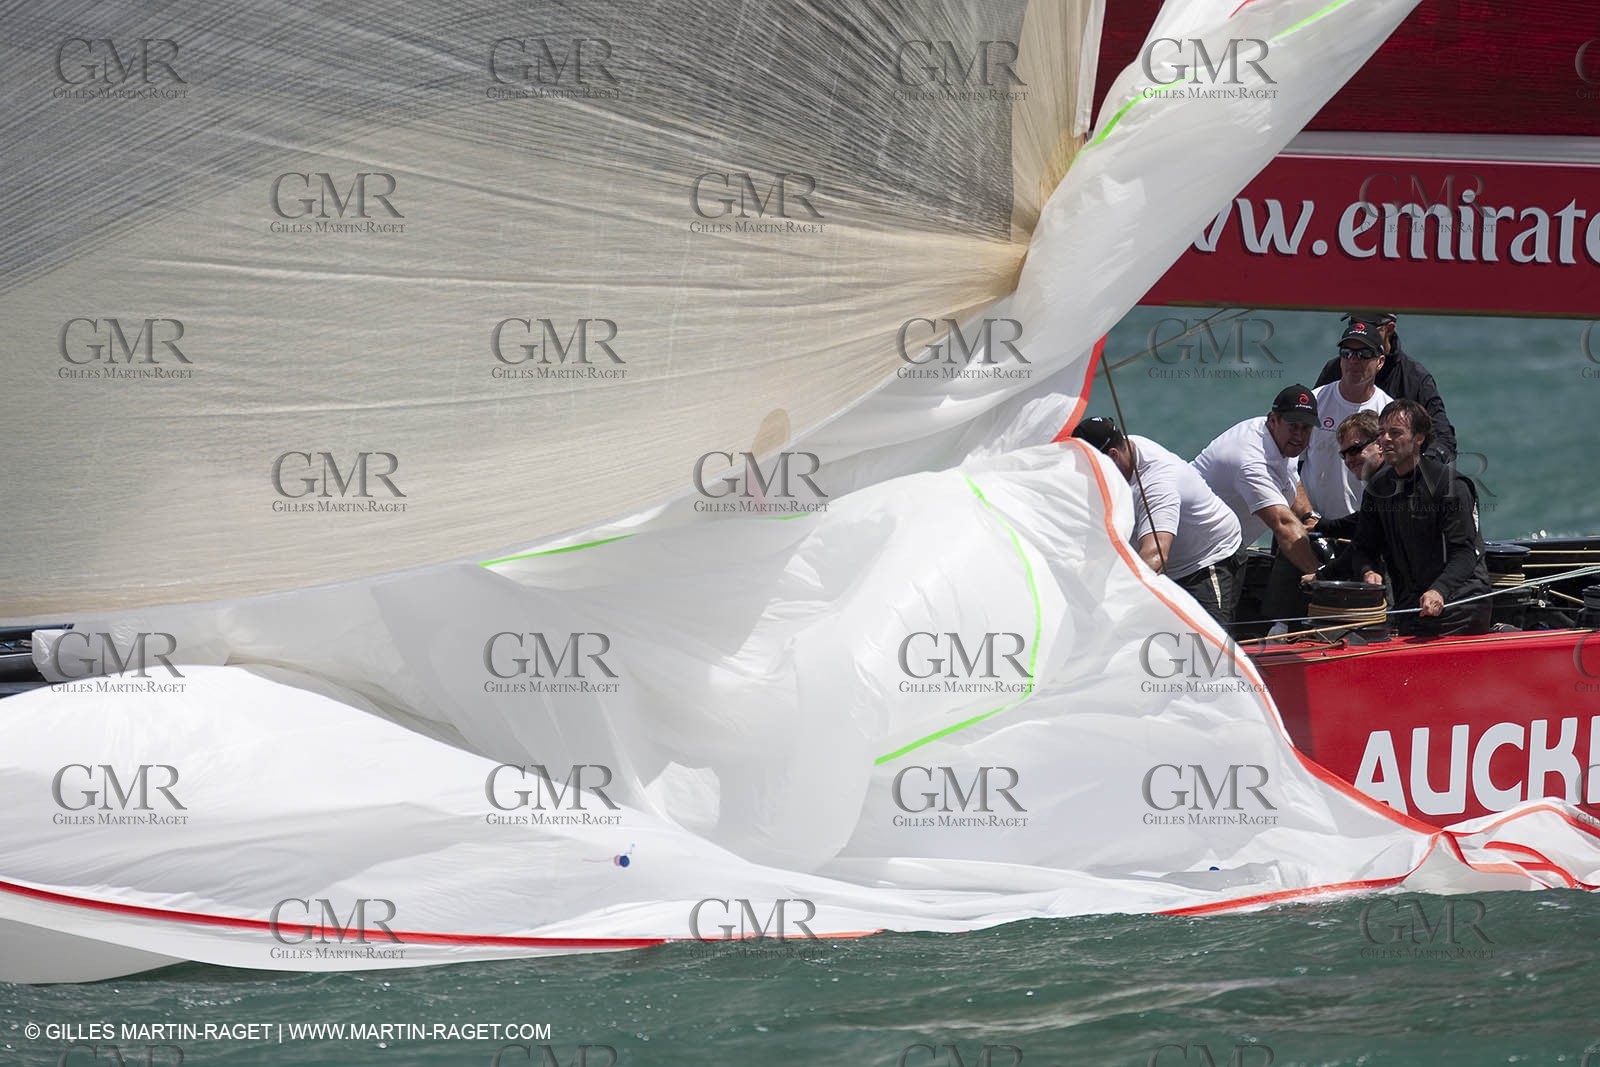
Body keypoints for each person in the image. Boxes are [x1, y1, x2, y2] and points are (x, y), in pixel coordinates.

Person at [1072, 417, 1244, 623]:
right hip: (1170, 563)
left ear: (1113, 455)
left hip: (1208, 561)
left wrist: (1113, 601)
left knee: (1205, 648)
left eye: (1090, 468)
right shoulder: (1125, 448)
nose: (1086, 476)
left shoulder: (1157, 484)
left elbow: (1155, 557)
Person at [1350, 399, 1491, 636]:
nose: (1385, 439)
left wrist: (1440, 590)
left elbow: (1466, 553)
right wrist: (1368, 571)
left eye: (1395, 433)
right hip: (1409, 607)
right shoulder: (1378, 487)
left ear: (1419, 438)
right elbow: (1364, 546)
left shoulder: (1450, 486)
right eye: (1382, 433)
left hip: (1459, 606)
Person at [1191, 385, 1323, 580]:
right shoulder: (1249, 459)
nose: (1299, 435)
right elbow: (1282, 523)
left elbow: (1289, 479)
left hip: (1225, 549)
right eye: (1293, 426)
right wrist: (1322, 575)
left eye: (1306, 428)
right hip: (1198, 556)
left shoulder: (1280, 440)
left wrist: (1308, 517)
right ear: (1273, 420)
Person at [1313, 312, 1456, 463]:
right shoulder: (1337, 368)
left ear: (1389, 329)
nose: (1360, 330)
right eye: (1353, 324)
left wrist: (1416, 469)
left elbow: (1444, 439)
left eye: (1365, 354)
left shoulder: (1414, 379)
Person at [1300, 334, 1393, 523]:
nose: (1353, 361)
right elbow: (1287, 467)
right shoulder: (1314, 402)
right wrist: (1307, 516)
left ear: (1380, 361)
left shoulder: (1389, 412)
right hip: (1313, 522)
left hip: (1363, 525)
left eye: (1364, 354)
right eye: (1347, 353)